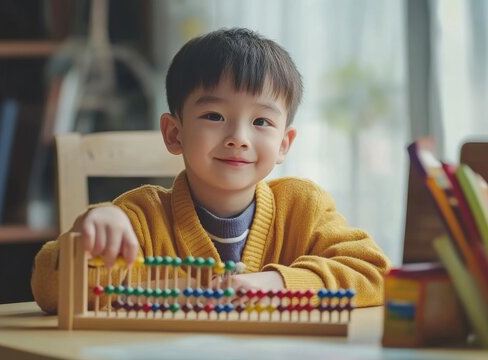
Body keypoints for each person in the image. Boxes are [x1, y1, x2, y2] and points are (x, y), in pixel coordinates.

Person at [31, 28, 390, 314]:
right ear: (174, 133)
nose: (238, 138)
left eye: (262, 121)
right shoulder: (140, 219)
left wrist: (276, 285)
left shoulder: (303, 207)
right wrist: (89, 236)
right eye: (214, 116)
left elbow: (375, 273)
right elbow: (50, 291)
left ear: (284, 144)